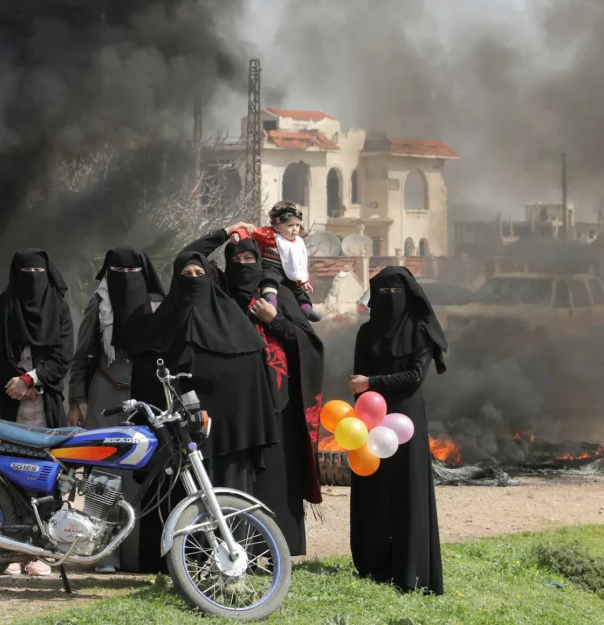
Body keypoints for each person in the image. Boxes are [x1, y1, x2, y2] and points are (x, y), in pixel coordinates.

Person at [128, 250, 279, 574]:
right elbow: (146, 379)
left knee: (229, 495)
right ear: (175, 281)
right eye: (187, 275)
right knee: (175, 494)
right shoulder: (160, 326)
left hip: (229, 437)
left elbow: (251, 380)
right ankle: (176, 566)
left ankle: (231, 558)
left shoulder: (235, 323)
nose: (193, 280)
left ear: (210, 279)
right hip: (177, 437)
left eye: (199, 274)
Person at [186, 228, 325, 556]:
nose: (244, 264)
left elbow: (308, 344)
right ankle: (235, 546)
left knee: (275, 478)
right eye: (237, 259)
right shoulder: (219, 293)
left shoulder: (278, 295)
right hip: (233, 407)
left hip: (276, 405)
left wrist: (274, 320)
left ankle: (275, 550)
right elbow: (189, 259)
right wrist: (224, 233)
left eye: (250, 258)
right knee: (236, 479)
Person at [349, 266, 447, 595]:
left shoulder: (422, 330)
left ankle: (411, 570)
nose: (389, 299)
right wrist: (366, 389)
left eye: (396, 292)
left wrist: (372, 382)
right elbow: (357, 380)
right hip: (371, 421)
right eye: (383, 293)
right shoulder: (367, 332)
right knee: (374, 491)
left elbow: (414, 377)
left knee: (408, 491)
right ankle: (373, 565)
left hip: (406, 419)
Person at [67, 246, 165, 573]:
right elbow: (81, 353)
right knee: (103, 475)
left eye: (131, 272)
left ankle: (138, 555)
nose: (125, 278)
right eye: (118, 272)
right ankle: (103, 553)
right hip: (104, 395)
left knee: (140, 475)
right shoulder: (99, 303)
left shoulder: (157, 305)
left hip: (144, 397)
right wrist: (75, 401)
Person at [0, 248, 74, 577]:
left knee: (46, 477)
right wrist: (13, 384)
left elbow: (63, 356)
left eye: (37, 272)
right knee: (5, 476)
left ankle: (41, 551)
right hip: (8, 403)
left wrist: (32, 380)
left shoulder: (59, 308)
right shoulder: (2, 307)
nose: (32, 278)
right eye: (25, 272)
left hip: (44, 405)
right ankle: (7, 548)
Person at [239, 201, 322, 322]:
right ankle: (270, 301)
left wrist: (304, 281)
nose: (295, 229)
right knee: (269, 281)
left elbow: (300, 264)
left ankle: (306, 308)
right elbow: (249, 232)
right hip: (272, 268)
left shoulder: (298, 242)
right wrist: (237, 234)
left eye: (297, 225)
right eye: (290, 225)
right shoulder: (271, 235)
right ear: (277, 226)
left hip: (289, 273)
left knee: (298, 290)